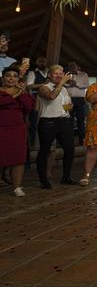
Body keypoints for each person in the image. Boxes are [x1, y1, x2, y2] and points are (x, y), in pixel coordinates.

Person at [37, 65, 77, 188]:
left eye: (61, 73)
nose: (59, 76)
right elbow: (51, 96)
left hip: (64, 121)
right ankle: (43, 181)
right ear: (49, 75)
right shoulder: (43, 87)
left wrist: (69, 106)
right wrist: (62, 83)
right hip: (48, 122)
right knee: (45, 150)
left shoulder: (64, 89)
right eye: (56, 73)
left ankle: (66, 177)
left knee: (70, 149)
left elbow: (68, 105)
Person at [0, 64, 34, 197]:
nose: (11, 78)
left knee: (18, 158)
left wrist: (22, 93)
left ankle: (17, 187)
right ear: (3, 78)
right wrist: (16, 95)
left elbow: (29, 107)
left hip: (17, 128)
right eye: (8, 76)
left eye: (14, 76)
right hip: (1, 128)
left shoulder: (21, 91)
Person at [65, 61, 89, 146]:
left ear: (77, 66)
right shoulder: (66, 74)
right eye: (70, 66)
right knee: (68, 119)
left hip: (80, 99)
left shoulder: (84, 74)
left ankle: (81, 140)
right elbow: (62, 85)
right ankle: (68, 140)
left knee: (80, 120)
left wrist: (76, 84)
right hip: (68, 100)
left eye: (73, 65)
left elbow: (86, 85)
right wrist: (68, 84)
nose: (71, 67)